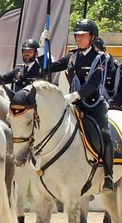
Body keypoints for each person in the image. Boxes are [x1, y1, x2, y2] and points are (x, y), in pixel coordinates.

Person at [43, 18, 117, 192]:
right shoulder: (72, 56)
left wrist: (76, 95)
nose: (78, 38)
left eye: (83, 35)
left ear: (92, 37)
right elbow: (48, 68)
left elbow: (93, 83)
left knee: (105, 134)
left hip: (92, 105)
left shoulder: (100, 58)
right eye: (77, 35)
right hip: (73, 106)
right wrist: (42, 48)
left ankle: (108, 175)